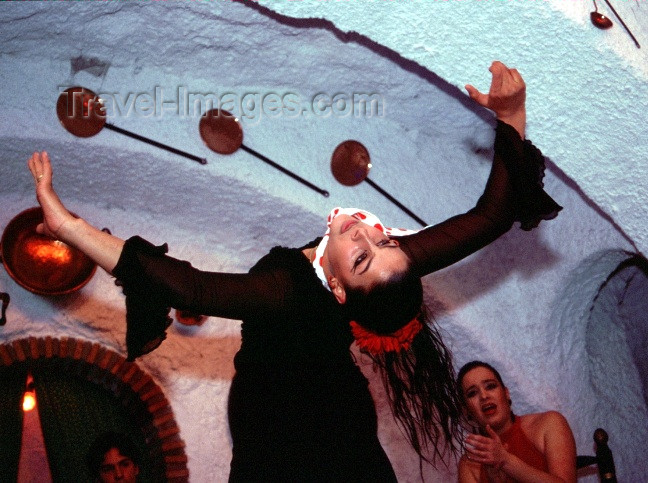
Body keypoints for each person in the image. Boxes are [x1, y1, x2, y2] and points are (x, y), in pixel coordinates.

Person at [29, 61, 561, 481]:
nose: (365, 233)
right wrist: (512, 113)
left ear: (337, 289)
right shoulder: (387, 272)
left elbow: (186, 284)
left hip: (286, 435)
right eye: (381, 239)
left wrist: (68, 225)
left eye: (362, 255)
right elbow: (489, 218)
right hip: (330, 407)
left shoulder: (286, 289)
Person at [457, 361, 576, 483]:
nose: (484, 396)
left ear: (506, 393)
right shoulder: (469, 464)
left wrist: (507, 461)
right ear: (466, 411)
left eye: (490, 386)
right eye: (472, 393)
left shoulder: (549, 423)